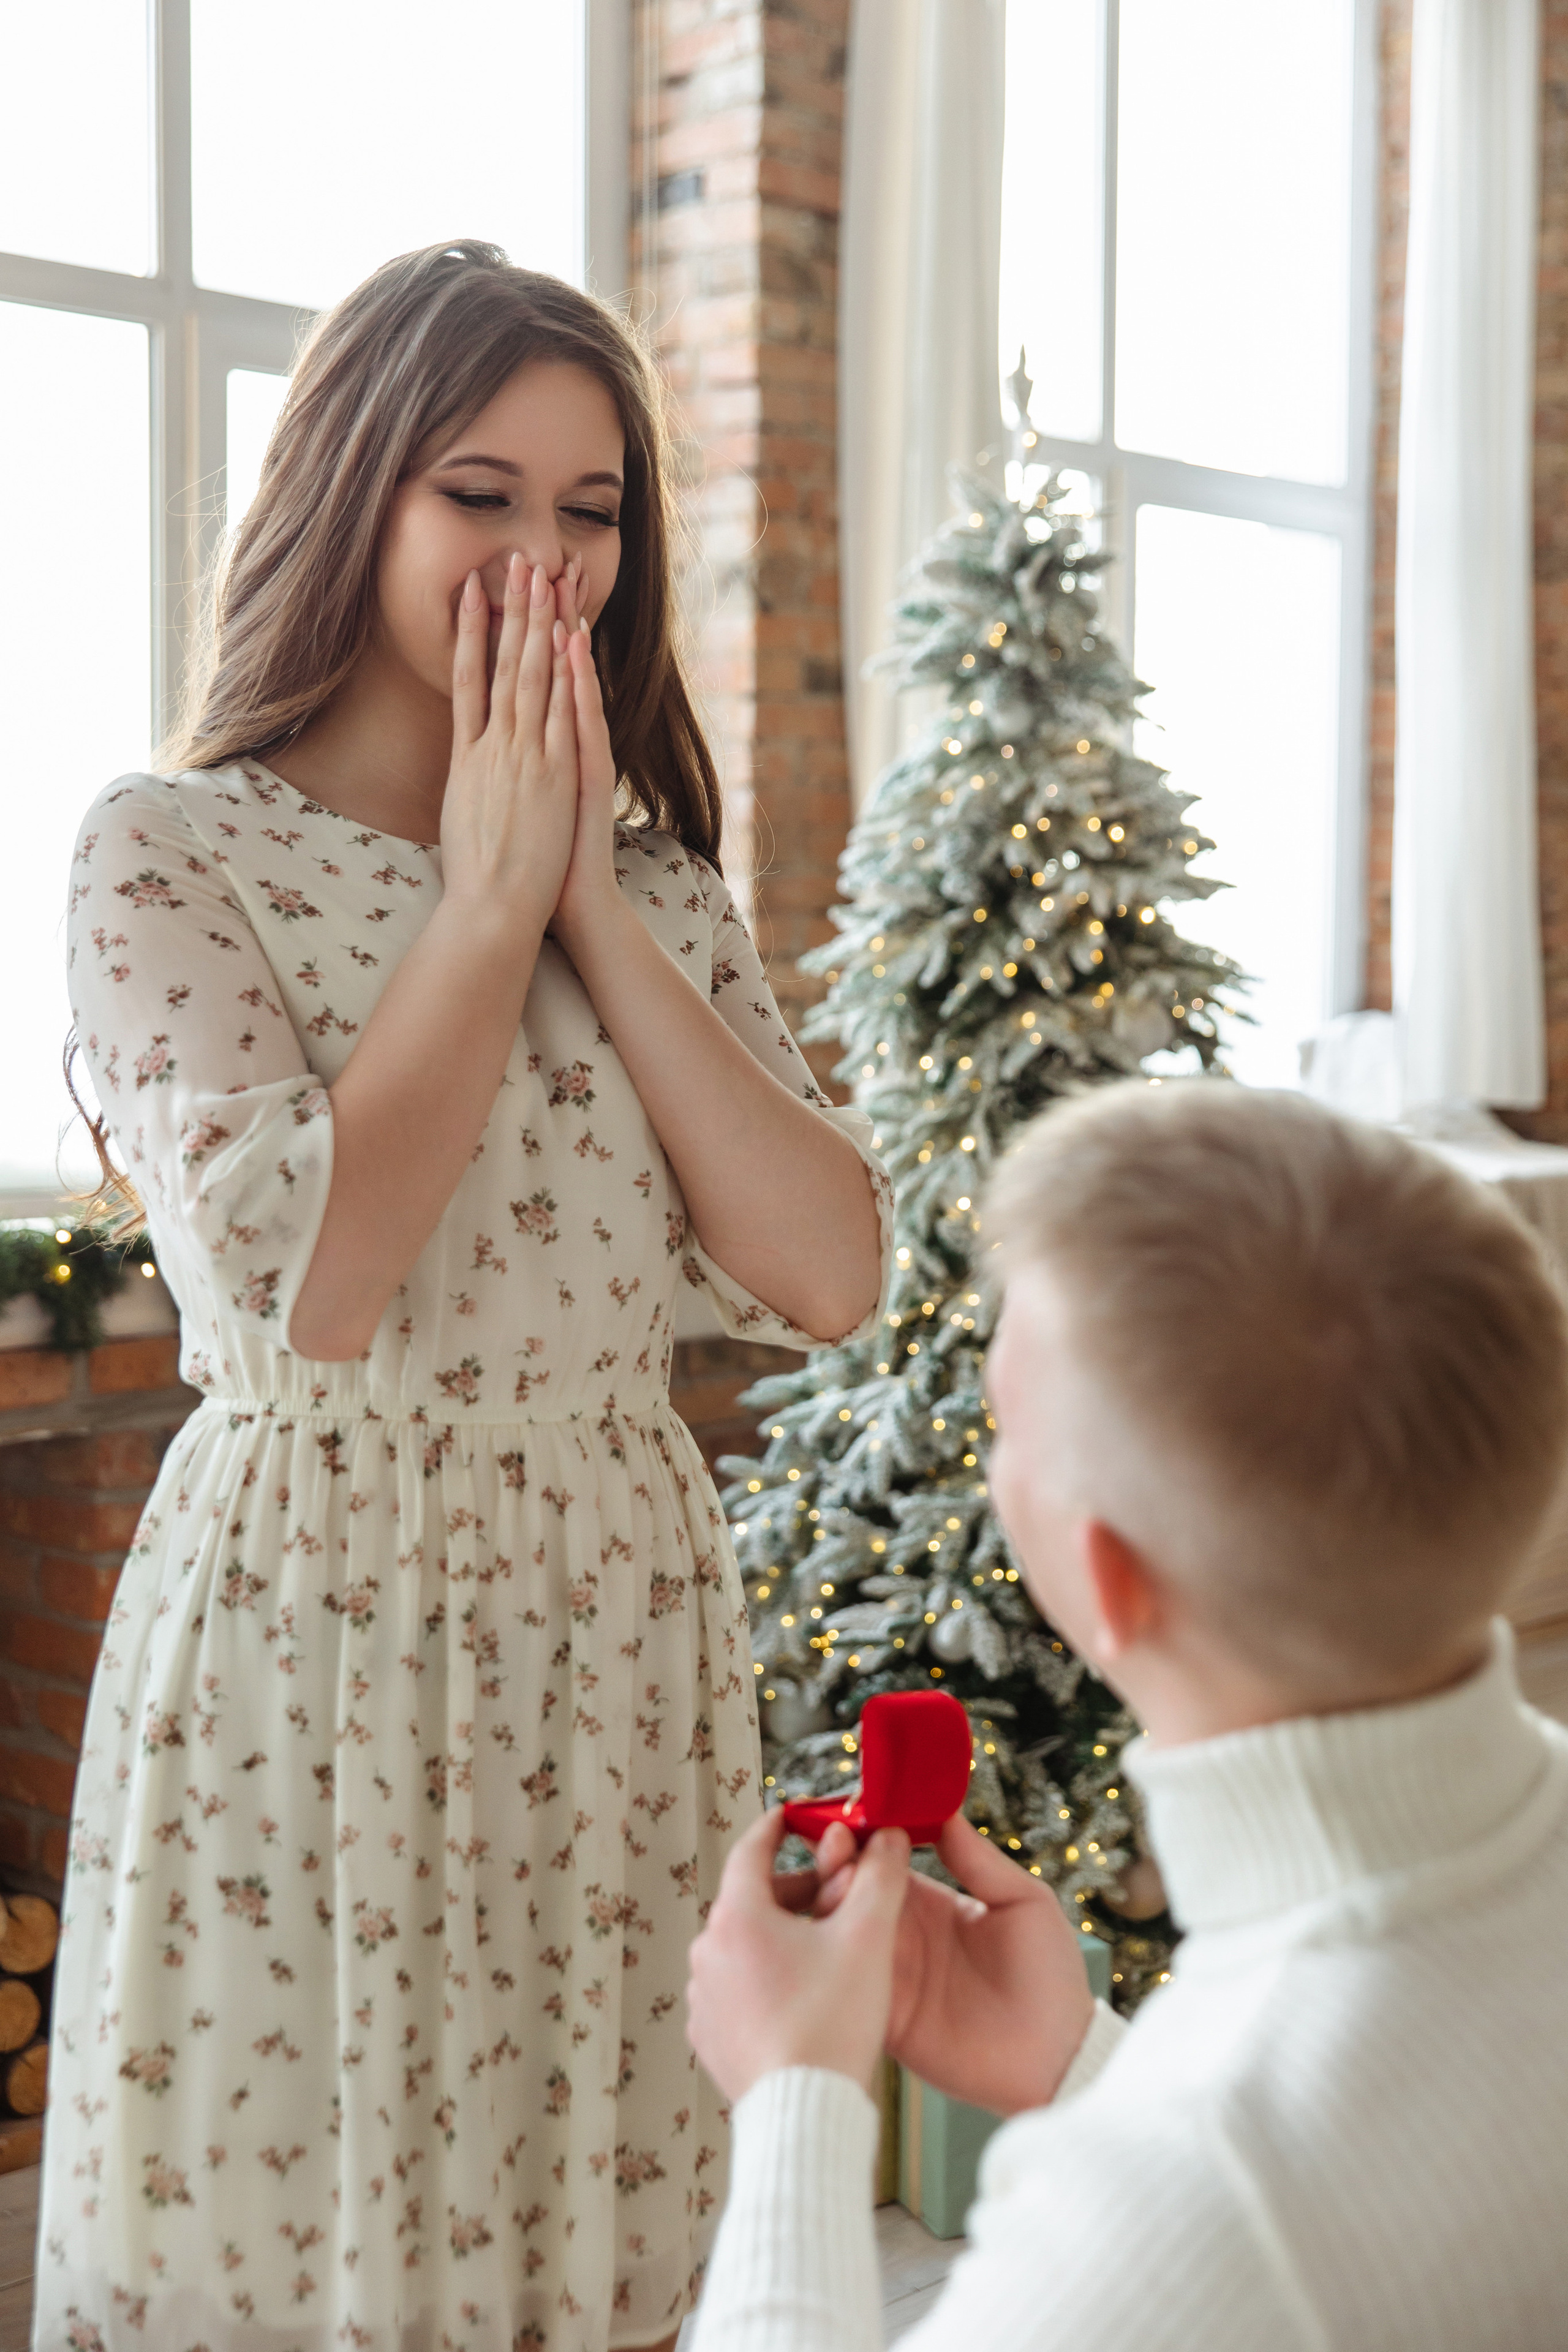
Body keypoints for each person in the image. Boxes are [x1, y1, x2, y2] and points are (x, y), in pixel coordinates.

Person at [44, 240, 889, 2352]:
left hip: (615, 1641)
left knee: (591, 2227)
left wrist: (589, 896)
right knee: (292, 2220)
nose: (546, 557)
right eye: (479, 492)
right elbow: (306, 1285)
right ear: (356, 494)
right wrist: (490, 900)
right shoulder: (165, 852)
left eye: (591, 509)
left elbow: (830, 1270)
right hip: (307, 1633)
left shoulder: (660, 886)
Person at [685, 1080, 1568, 2350]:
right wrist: (1080, 2064)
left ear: (1108, 1580)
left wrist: (794, 2103)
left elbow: (1250, 2214)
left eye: (1005, 1430)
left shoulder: (1180, 2208)